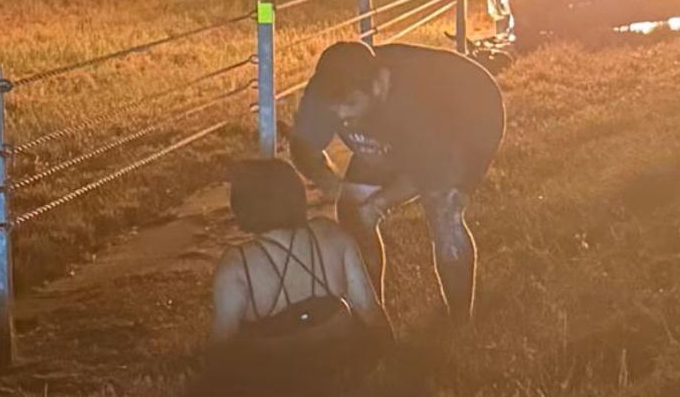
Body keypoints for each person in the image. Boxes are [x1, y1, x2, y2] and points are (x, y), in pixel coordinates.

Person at [289, 41, 505, 322]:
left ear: (378, 86)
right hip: (396, 132)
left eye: (351, 104)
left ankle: (460, 322)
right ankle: (371, 316)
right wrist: (328, 181)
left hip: (468, 117)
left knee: (442, 208)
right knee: (353, 211)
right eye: (334, 109)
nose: (341, 116)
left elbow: (430, 170)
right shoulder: (323, 91)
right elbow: (303, 145)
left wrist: (379, 202)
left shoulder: (415, 97)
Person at [189, 158, 393, 397]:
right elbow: (369, 308)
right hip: (339, 364)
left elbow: (221, 346)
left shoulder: (237, 265)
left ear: (241, 207)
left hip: (275, 377)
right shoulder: (333, 235)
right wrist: (391, 354)